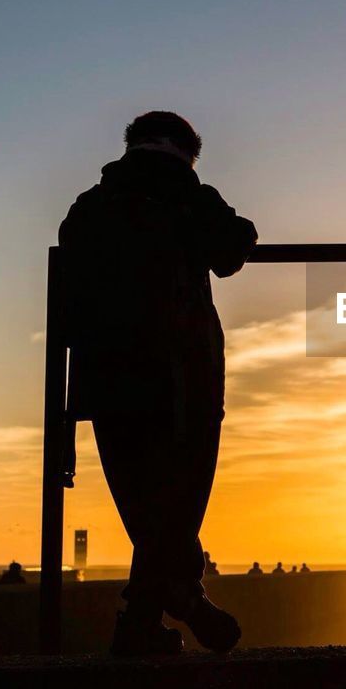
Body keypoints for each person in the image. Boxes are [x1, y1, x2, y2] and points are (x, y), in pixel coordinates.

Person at [59, 111, 257, 656]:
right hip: (182, 373)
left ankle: (148, 618)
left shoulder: (87, 208)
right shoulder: (188, 197)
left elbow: (70, 293)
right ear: (188, 152)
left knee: (145, 500)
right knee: (180, 494)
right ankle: (168, 599)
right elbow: (233, 249)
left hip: (107, 377)